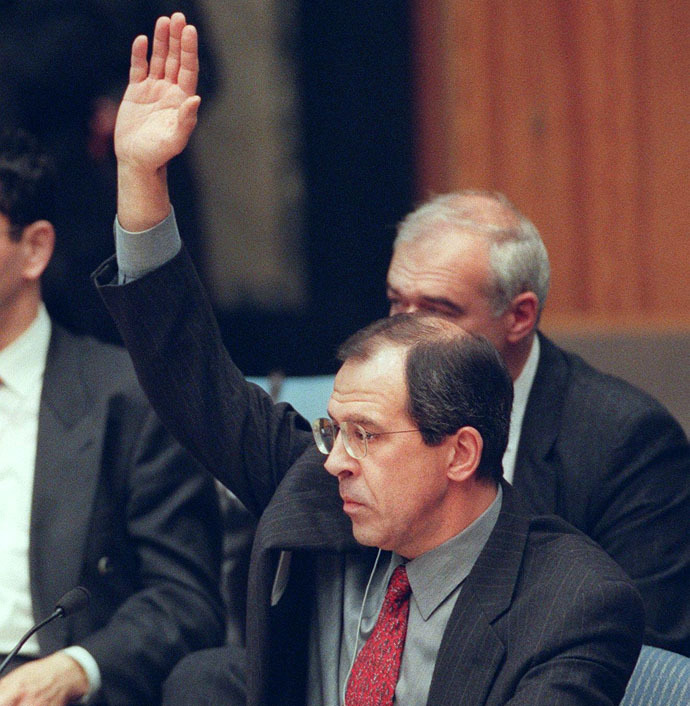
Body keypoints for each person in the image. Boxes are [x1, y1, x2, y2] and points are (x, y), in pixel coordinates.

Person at [94, 14, 644, 705]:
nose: (335, 459)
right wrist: (141, 176)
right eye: (335, 431)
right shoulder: (322, 498)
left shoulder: (573, 603)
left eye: (366, 435)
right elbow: (189, 373)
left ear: (461, 453)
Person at [386, 190, 690, 656]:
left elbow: (649, 656)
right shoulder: (378, 414)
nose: (404, 335)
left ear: (520, 316)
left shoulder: (627, 441)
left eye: (436, 312)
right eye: (395, 303)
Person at [0, 128, 225, 705]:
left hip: (45, 681)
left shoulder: (127, 396)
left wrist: (78, 667)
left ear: (35, 249)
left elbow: (186, 600)